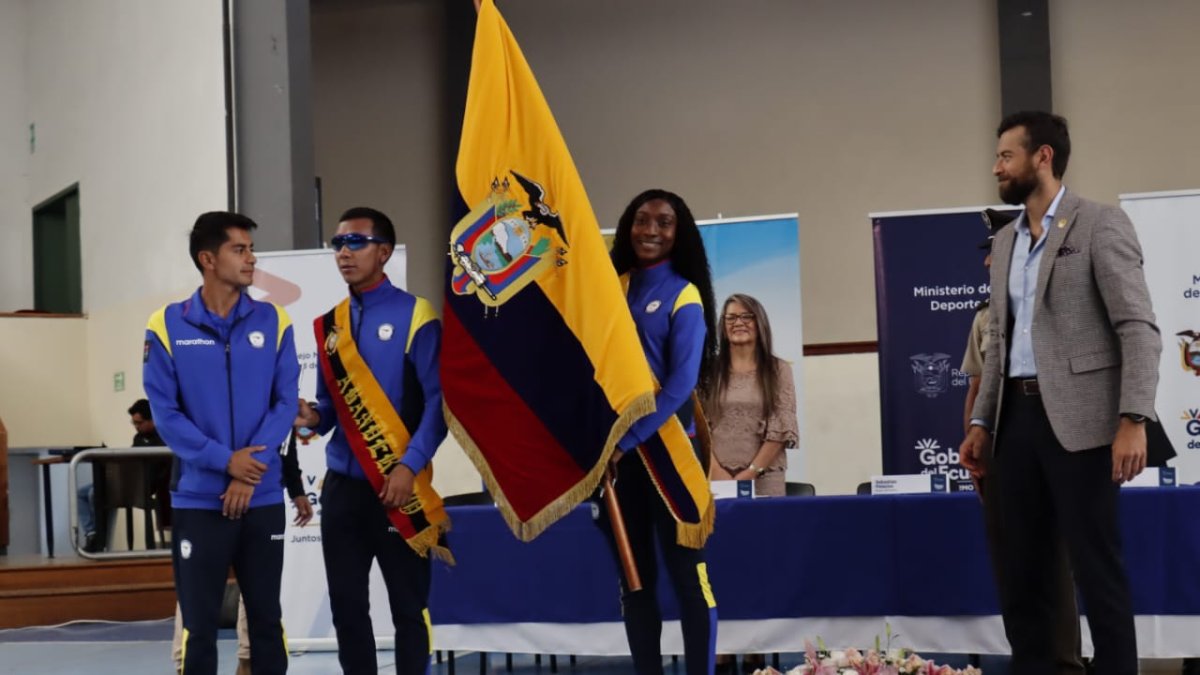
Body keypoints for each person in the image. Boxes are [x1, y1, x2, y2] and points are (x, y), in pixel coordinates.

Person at [959, 111, 1159, 675]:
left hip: (1086, 422)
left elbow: (1137, 327)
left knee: (1097, 569)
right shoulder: (1003, 240)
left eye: (1006, 155)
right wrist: (980, 425)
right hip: (1013, 425)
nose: (996, 166)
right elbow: (997, 343)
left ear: (1042, 157)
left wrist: (1133, 417)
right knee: (1022, 571)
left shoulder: (1099, 223)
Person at [293, 206, 449, 675]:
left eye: (355, 242)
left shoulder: (416, 314)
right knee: (347, 609)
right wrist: (310, 418)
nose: (344, 252)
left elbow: (440, 405)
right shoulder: (328, 325)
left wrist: (408, 466)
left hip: (399, 486)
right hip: (343, 490)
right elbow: (329, 411)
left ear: (383, 251)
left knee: (407, 608)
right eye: (338, 244)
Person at [144, 211, 299, 675]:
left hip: (263, 497)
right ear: (208, 259)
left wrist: (248, 472)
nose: (251, 258)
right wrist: (224, 463)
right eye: (240, 249)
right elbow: (166, 415)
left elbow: (285, 402)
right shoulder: (167, 324)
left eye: (251, 249)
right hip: (198, 501)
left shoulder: (274, 319)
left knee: (267, 622)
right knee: (200, 627)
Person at [960, 209, 1084, 675]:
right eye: (989, 255)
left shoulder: (1056, 308)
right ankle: (1029, 663)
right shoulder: (985, 318)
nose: (990, 263)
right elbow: (977, 386)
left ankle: (1064, 665)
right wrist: (974, 437)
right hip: (998, 440)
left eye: (998, 252)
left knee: (1052, 559)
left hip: (1054, 436)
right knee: (1011, 559)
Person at [606, 189, 719, 675]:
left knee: (688, 580)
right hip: (615, 462)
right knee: (634, 582)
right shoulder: (610, 289)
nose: (650, 230)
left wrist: (626, 442)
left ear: (680, 233)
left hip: (668, 453)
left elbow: (679, 388)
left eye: (664, 222)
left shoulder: (684, 294)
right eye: (641, 220)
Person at [171, 430, 314, 675]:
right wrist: (229, 464)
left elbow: (282, 435)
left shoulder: (275, 400)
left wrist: (295, 486)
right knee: (197, 607)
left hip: (260, 495)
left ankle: (247, 659)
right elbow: (179, 429)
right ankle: (183, 663)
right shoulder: (197, 396)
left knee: (263, 605)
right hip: (202, 496)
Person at [706, 293, 798, 498]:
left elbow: (781, 426)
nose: (738, 323)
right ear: (723, 325)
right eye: (731, 318)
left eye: (747, 317)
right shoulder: (707, 370)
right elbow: (697, 426)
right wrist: (716, 471)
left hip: (765, 478)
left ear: (760, 323)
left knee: (765, 530)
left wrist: (752, 472)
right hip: (714, 477)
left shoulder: (779, 369)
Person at [77, 398, 167, 553]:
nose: (136, 427)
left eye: (139, 423)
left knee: (95, 493)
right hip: (129, 480)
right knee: (81, 493)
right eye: (134, 423)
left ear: (152, 419)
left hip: (145, 484)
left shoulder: (163, 437)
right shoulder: (138, 438)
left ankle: (101, 538)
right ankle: (92, 533)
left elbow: (157, 467)